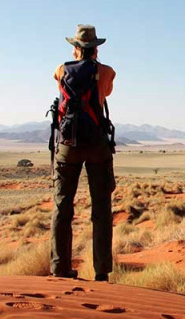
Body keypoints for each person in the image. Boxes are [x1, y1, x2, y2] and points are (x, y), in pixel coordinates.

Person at [50, 25, 116, 281]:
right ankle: (101, 272)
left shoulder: (61, 69)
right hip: (97, 145)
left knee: (62, 206)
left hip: (67, 144)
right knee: (101, 209)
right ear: (96, 49)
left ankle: (60, 269)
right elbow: (107, 92)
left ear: (75, 48)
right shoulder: (106, 72)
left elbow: (57, 80)